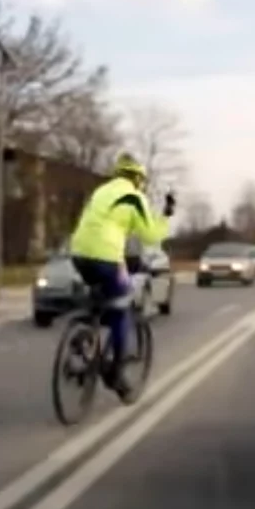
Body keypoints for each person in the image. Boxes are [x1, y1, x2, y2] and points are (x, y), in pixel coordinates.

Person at [69, 152, 175, 393]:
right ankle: (116, 372)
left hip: (78, 253)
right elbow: (151, 237)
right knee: (123, 306)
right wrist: (166, 215)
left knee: (100, 300)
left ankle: (85, 337)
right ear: (138, 179)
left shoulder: (100, 191)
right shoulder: (135, 198)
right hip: (106, 258)